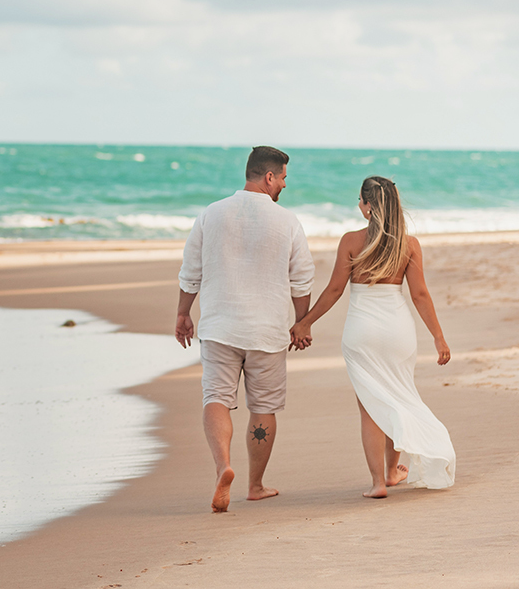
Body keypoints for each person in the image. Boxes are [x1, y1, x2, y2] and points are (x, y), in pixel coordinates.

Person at [290, 176, 455, 497]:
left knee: (370, 406)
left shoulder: (351, 241)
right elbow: (420, 295)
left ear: (367, 207)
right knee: (395, 397)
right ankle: (393, 472)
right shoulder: (409, 245)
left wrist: (305, 323)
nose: (359, 205)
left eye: (360, 201)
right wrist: (438, 337)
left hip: (362, 333)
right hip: (398, 332)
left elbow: (335, 289)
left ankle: (379, 482)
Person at [176, 146, 314, 513]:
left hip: (221, 325)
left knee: (216, 398)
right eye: (283, 177)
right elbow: (301, 279)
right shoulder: (287, 222)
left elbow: (191, 270)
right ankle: (254, 486)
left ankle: (224, 466)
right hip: (267, 332)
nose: (284, 184)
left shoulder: (212, 213)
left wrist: (183, 314)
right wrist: (301, 323)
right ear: (269, 177)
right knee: (263, 407)